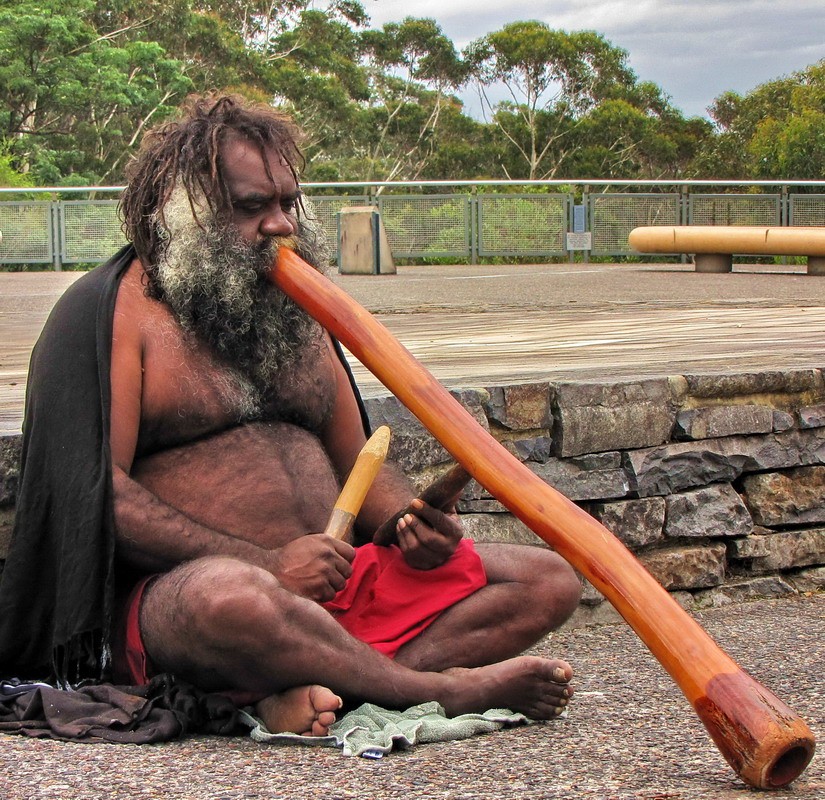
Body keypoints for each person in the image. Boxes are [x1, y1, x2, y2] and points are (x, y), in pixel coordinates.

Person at [0, 94, 581, 738]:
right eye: (252, 208)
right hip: (196, 600)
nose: (280, 225)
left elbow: (358, 461)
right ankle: (432, 689)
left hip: (336, 587)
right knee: (230, 599)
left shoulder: (295, 312)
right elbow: (97, 495)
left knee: (544, 578)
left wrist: (410, 527)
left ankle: (322, 684)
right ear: (182, 214)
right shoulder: (110, 313)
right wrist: (270, 565)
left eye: (287, 204)